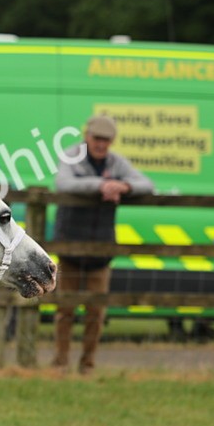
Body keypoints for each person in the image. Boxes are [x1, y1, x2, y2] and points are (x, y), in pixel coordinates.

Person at [52, 114, 153, 374]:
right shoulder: (71, 155)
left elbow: (148, 185)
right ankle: (61, 363)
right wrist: (103, 185)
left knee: (96, 313)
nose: (101, 144)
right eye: (97, 138)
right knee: (65, 309)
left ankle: (87, 365)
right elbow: (62, 183)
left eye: (106, 140)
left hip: (101, 250)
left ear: (112, 141)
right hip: (70, 248)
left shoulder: (117, 163)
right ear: (87, 136)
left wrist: (124, 186)